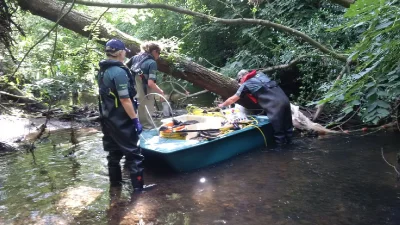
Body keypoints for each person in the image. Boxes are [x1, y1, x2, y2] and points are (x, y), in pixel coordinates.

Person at [97, 39, 154, 192]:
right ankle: (139, 189)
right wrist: (135, 120)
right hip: (121, 120)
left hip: (107, 118)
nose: (125, 55)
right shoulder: (119, 72)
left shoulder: (103, 69)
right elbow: (124, 99)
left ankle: (115, 186)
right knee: (134, 155)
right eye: (124, 53)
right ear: (120, 52)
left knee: (113, 155)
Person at [218, 69, 294, 147]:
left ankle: (281, 153)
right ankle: (291, 146)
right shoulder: (261, 75)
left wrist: (222, 105)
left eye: (239, 81)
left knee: (279, 132)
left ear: (241, 78)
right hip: (285, 100)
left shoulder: (246, 85)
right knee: (288, 129)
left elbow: (232, 99)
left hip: (275, 105)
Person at [127, 42, 165, 129]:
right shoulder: (152, 63)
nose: (158, 56)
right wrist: (161, 92)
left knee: (137, 115)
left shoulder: (134, 58)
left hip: (133, 93)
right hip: (145, 94)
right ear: (154, 51)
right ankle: (147, 134)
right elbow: (150, 83)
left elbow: (124, 68)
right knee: (147, 123)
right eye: (159, 53)